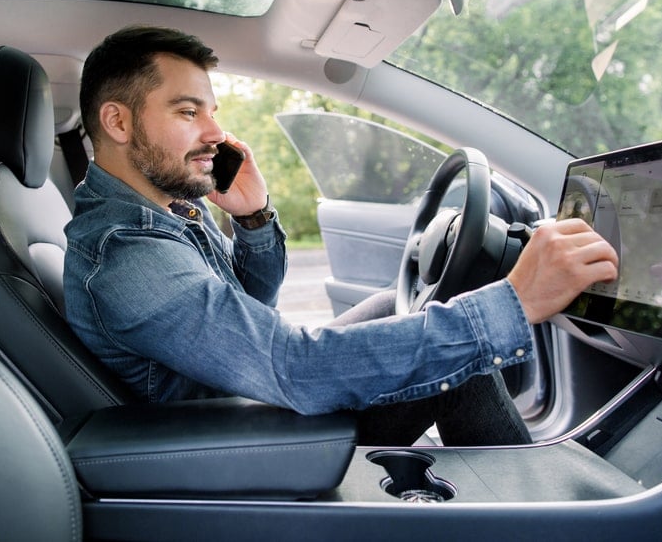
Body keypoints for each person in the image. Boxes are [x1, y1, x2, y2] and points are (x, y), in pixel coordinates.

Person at [63, 25, 619, 446]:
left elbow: (249, 305)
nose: (215, 133)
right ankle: (543, 522)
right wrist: (515, 303)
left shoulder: (167, 207)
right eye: (188, 112)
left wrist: (253, 216)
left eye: (212, 112)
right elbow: (293, 368)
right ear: (118, 122)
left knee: (409, 315)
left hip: (243, 395)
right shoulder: (126, 252)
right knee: (455, 350)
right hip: (235, 441)